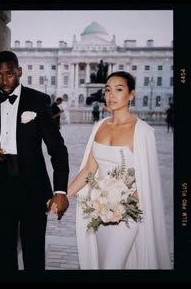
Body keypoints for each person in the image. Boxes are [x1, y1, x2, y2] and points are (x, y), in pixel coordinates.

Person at [0, 51, 69, 272]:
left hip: (33, 189)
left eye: (10, 74)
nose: (4, 81)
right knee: (3, 257)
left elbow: (58, 150)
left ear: (19, 72)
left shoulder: (39, 101)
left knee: (34, 256)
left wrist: (61, 191)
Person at [67, 71, 171, 269]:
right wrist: (63, 195)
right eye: (107, 90)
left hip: (126, 217)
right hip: (99, 215)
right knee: (101, 263)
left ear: (131, 94)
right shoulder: (99, 126)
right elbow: (89, 170)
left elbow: (147, 181)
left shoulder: (143, 132)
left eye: (119, 89)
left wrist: (120, 205)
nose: (111, 95)